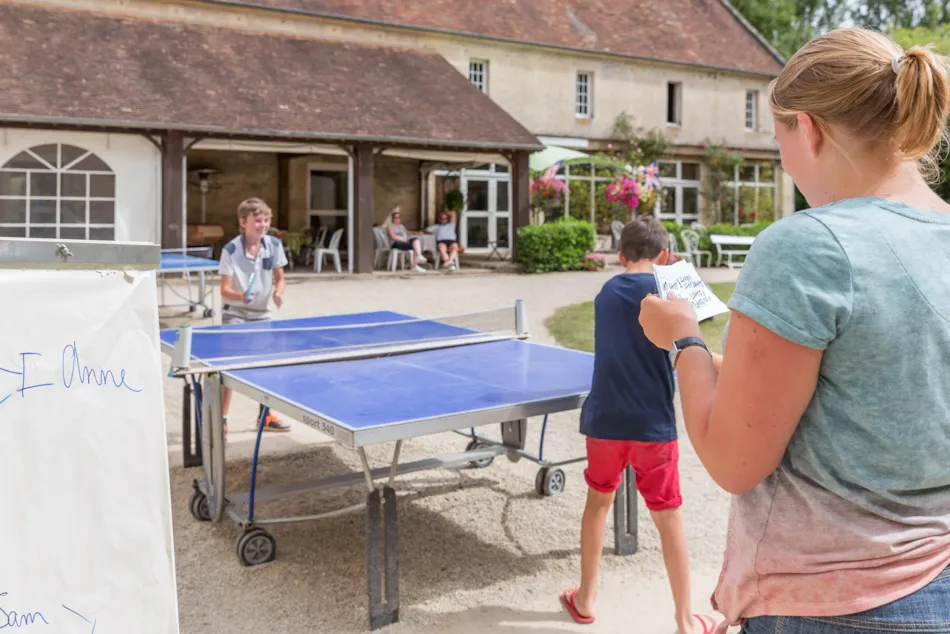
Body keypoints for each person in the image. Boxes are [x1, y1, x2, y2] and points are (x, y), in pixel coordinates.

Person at [638, 28, 950, 634]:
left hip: (833, 608)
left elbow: (734, 462)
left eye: (780, 138)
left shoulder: (808, 245)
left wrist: (684, 340)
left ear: (807, 127)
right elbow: (881, 393)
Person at [561, 216, 717, 634]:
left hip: (605, 422)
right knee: (669, 518)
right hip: (653, 426)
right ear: (665, 256)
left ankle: (585, 598)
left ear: (620, 255)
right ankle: (685, 619)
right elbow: (691, 341)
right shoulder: (669, 293)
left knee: (597, 504)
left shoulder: (606, 292)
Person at [218, 197, 292, 434]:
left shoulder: (274, 245)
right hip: (236, 314)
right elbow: (224, 290)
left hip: (262, 314)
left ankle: (265, 416)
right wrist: (241, 297)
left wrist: (279, 293)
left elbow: (280, 278)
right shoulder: (230, 250)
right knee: (229, 367)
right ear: (243, 222)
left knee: (265, 367)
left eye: (266, 220)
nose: (263, 224)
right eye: (257, 220)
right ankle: (222, 417)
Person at [386, 207, 427, 272]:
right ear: (392, 219)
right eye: (395, 217)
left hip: (404, 242)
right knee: (414, 246)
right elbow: (393, 237)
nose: (397, 219)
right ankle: (415, 266)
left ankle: (419, 256)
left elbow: (407, 232)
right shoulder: (390, 226)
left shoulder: (401, 226)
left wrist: (416, 232)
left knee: (415, 239)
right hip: (395, 243)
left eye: (398, 217)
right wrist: (403, 240)